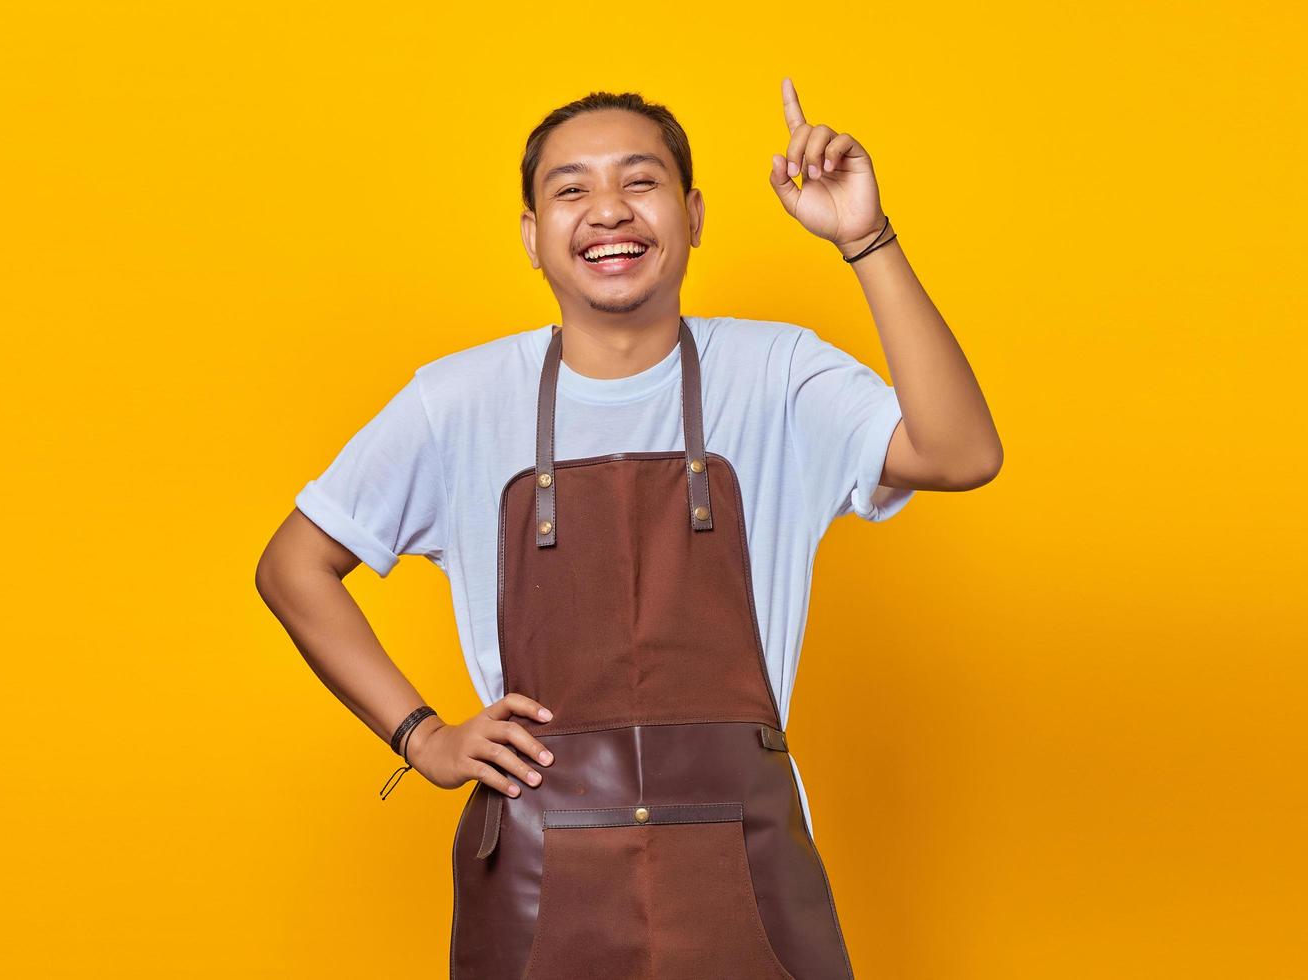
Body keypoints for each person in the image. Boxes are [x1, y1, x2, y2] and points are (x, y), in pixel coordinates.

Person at [255, 77, 1002, 978]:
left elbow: (961, 453)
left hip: (742, 862)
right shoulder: (457, 401)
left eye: (639, 182)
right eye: (571, 189)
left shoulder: (778, 373)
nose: (609, 211)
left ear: (691, 214)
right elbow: (294, 563)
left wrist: (865, 239)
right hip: (536, 870)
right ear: (532, 236)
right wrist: (423, 735)